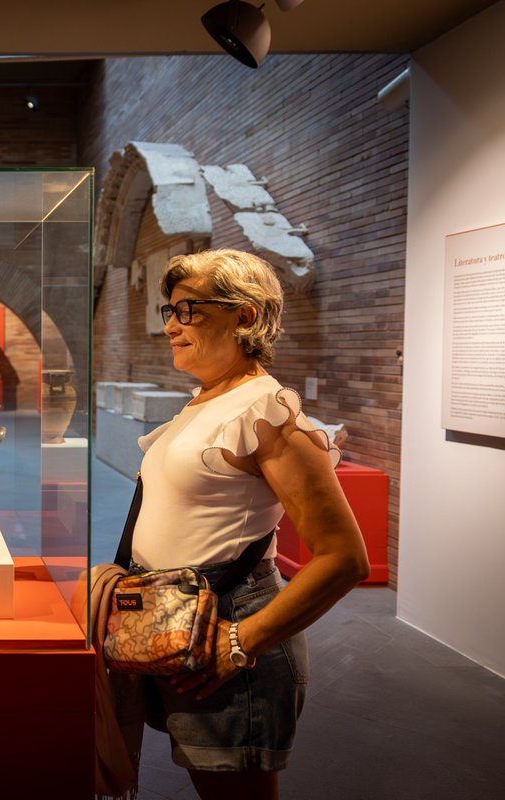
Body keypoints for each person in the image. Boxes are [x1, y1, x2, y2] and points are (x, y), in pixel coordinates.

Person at [128, 248, 369, 799]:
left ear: (246, 316)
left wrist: (240, 641)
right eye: (169, 311)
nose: (170, 326)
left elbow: (343, 557)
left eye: (188, 311)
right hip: (182, 620)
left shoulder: (265, 409)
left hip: (229, 623)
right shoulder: (208, 401)